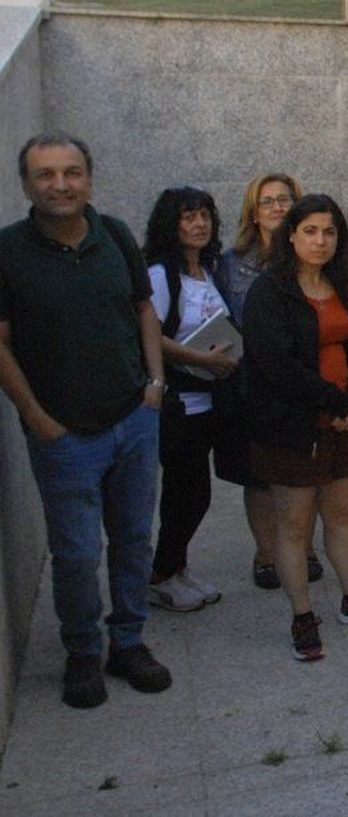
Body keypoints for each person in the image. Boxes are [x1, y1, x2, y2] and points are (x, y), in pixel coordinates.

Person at [0, 133, 171, 707]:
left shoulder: (115, 234)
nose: (60, 184)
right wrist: (35, 417)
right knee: (75, 554)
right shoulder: (8, 251)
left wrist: (154, 384)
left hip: (134, 419)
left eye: (71, 172)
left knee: (132, 541)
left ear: (89, 178)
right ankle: (82, 652)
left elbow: (143, 308)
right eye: (45, 175)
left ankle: (128, 642)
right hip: (64, 435)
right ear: (26, 184)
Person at [243, 195, 348, 662]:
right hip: (291, 428)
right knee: (293, 528)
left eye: (329, 232)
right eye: (310, 230)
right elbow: (277, 365)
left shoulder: (341, 285)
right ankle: (302, 615)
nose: (320, 240)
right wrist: (334, 402)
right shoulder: (269, 292)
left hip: (340, 422)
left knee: (340, 515)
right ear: (290, 234)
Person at [220, 172, 320, 589]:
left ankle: (305, 548)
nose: (277, 207)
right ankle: (266, 553)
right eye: (267, 201)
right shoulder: (231, 262)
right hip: (252, 384)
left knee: (306, 470)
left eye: (285, 200)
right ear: (253, 212)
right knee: (258, 474)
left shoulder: (313, 258)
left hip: (303, 381)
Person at [143, 186, 239, 612]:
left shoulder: (208, 270)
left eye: (204, 216)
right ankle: (160, 576)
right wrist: (200, 358)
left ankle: (178, 570)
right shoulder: (161, 275)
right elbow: (150, 337)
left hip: (209, 399)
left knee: (194, 492)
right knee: (187, 494)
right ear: (171, 224)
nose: (199, 224)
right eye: (188, 217)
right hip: (179, 403)